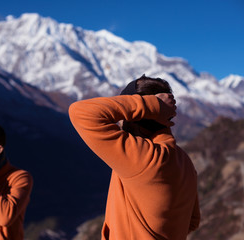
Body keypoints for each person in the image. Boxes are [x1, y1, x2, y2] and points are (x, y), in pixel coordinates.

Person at [69, 75, 200, 240]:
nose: (118, 121)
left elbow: (79, 112)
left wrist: (151, 104)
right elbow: (192, 221)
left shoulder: (142, 158)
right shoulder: (184, 161)